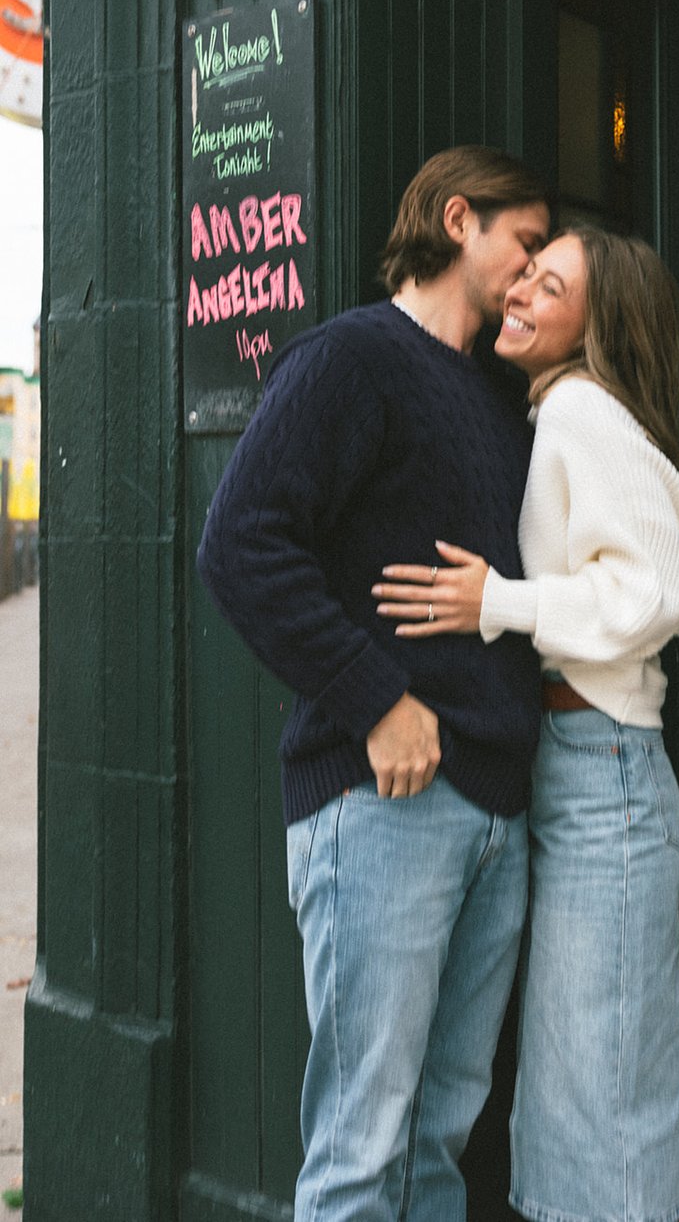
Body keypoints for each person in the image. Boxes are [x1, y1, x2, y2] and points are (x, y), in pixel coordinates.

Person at [196, 144, 551, 1222]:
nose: (535, 273)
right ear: (459, 221)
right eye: (525, 244)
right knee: (362, 1147)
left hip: (493, 804)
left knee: (441, 1137)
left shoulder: (495, 402)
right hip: (381, 802)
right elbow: (239, 545)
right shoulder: (351, 357)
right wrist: (378, 703)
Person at [373, 225, 679, 1222]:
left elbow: (658, 591)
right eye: (524, 272)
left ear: (595, 323)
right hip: (577, 765)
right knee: (573, 1080)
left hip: (606, 770)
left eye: (547, 284)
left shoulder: (586, 412)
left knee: (600, 1086)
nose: (518, 292)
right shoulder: (556, 411)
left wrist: (498, 603)